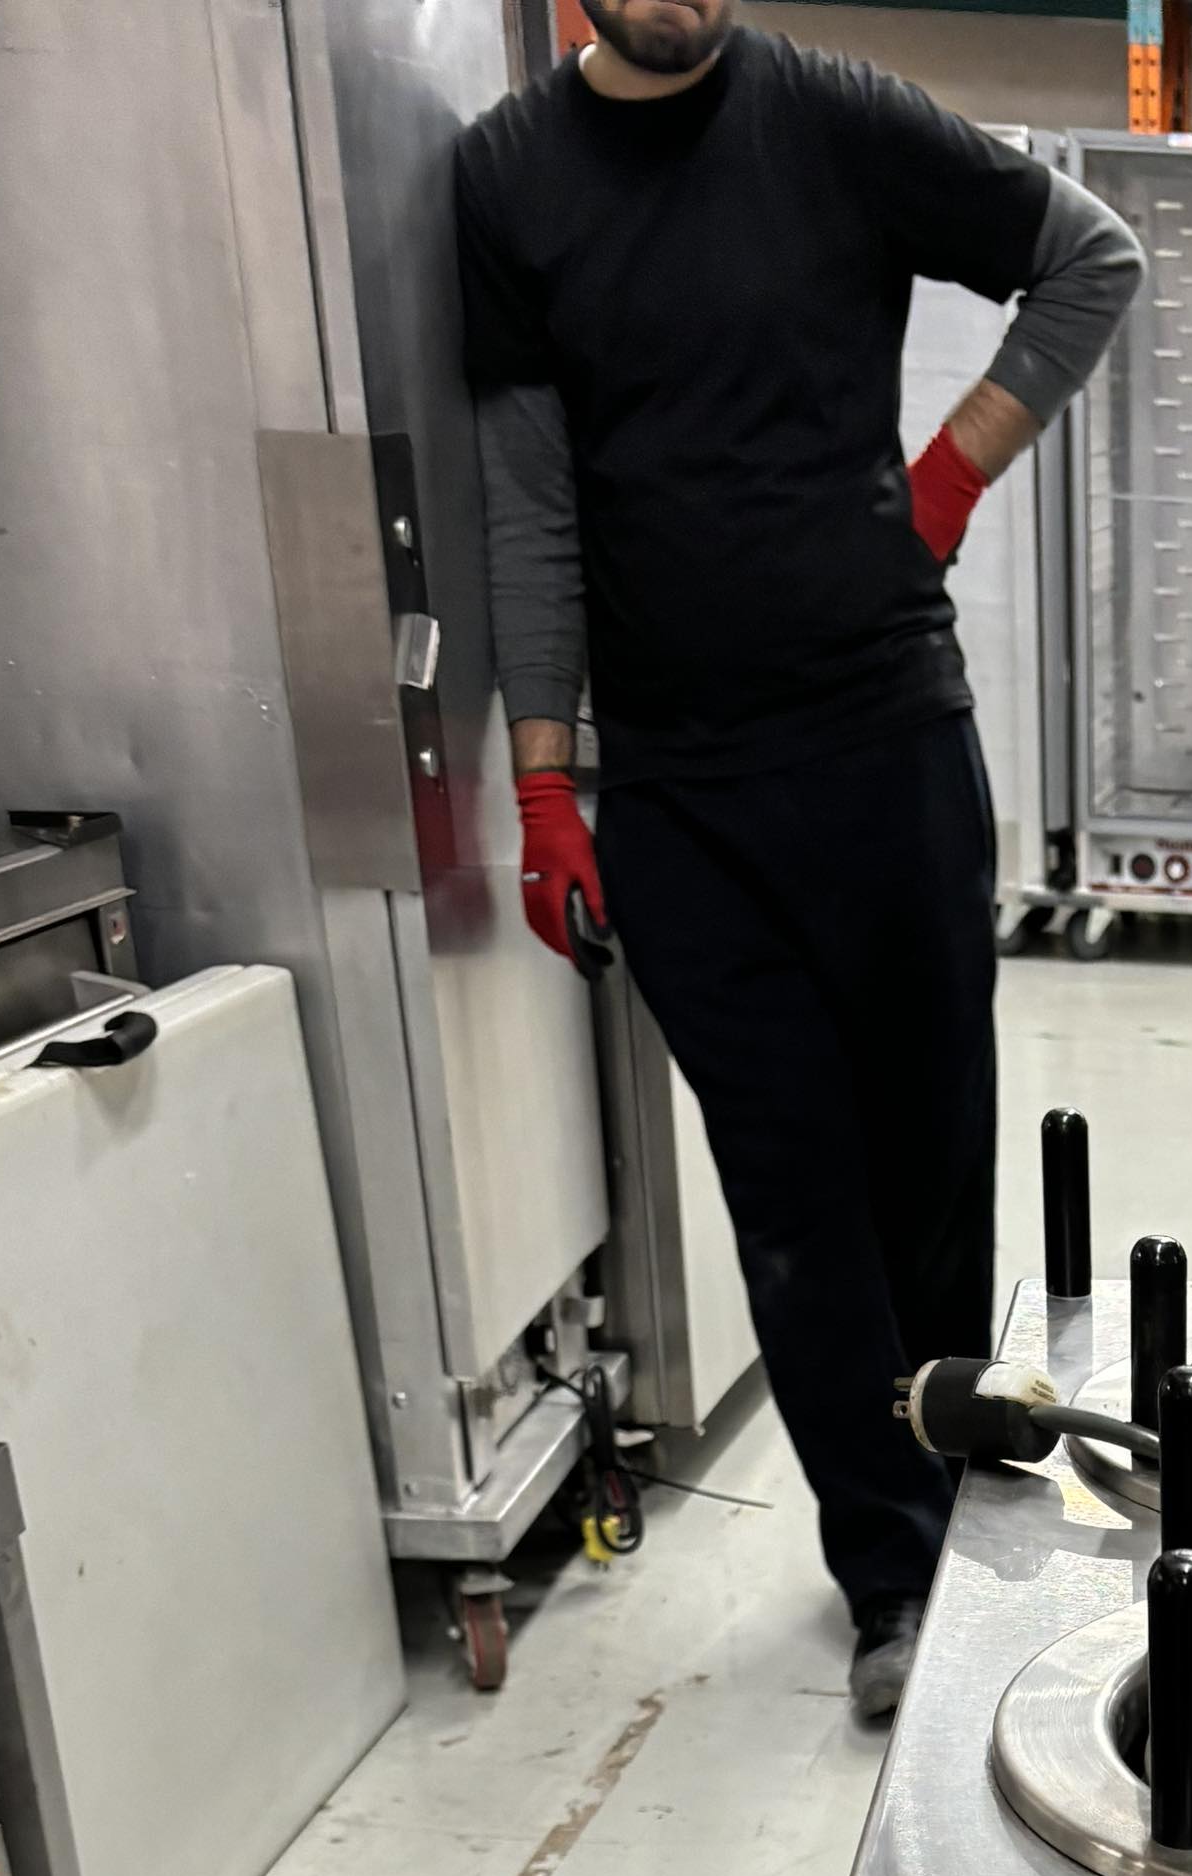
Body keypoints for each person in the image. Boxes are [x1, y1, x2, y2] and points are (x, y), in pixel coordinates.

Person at [455, 2, 1142, 1719]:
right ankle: (892, 1580)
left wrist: (946, 480)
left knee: (929, 1175)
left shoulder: (841, 121)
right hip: (680, 795)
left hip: (887, 744)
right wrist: (546, 784)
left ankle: (971, 1511)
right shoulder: (510, 178)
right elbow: (532, 507)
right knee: (793, 1211)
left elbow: (1091, 258)